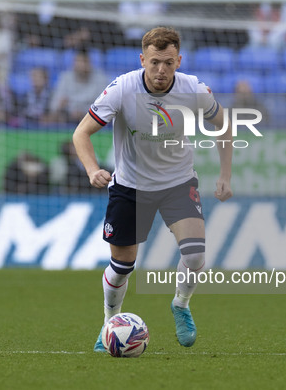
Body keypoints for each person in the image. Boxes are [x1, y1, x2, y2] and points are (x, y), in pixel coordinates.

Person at [72, 27, 233, 352]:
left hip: (178, 183)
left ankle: (181, 305)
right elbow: (81, 133)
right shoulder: (121, 89)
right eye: (155, 62)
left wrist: (225, 174)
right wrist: (92, 170)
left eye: (169, 63)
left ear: (179, 61)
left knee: (196, 254)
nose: (161, 70)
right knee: (122, 268)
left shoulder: (193, 89)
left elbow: (224, 124)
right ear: (143, 59)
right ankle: (109, 323)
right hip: (131, 187)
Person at [50, 47, 108, 123]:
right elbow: (54, 105)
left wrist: (83, 112)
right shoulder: (65, 77)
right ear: (74, 63)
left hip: (92, 119)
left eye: (84, 62)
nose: (81, 65)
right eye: (78, 62)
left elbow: (104, 106)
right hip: (67, 119)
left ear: (90, 63)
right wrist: (62, 107)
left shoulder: (100, 78)